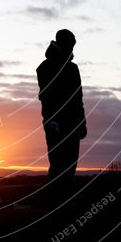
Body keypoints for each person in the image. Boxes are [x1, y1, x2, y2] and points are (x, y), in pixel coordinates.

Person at [36, 28, 87, 204]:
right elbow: (46, 97)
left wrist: (82, 123)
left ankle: (63, 204)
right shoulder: (45, 67)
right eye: (70, 44)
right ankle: (53, 206)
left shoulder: (73, 69)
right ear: (63, 44)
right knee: (58, 165)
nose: (72, 48)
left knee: (70, 166)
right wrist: (52, 121)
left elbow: (78, 98)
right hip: (56, 123)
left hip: (73, 123)